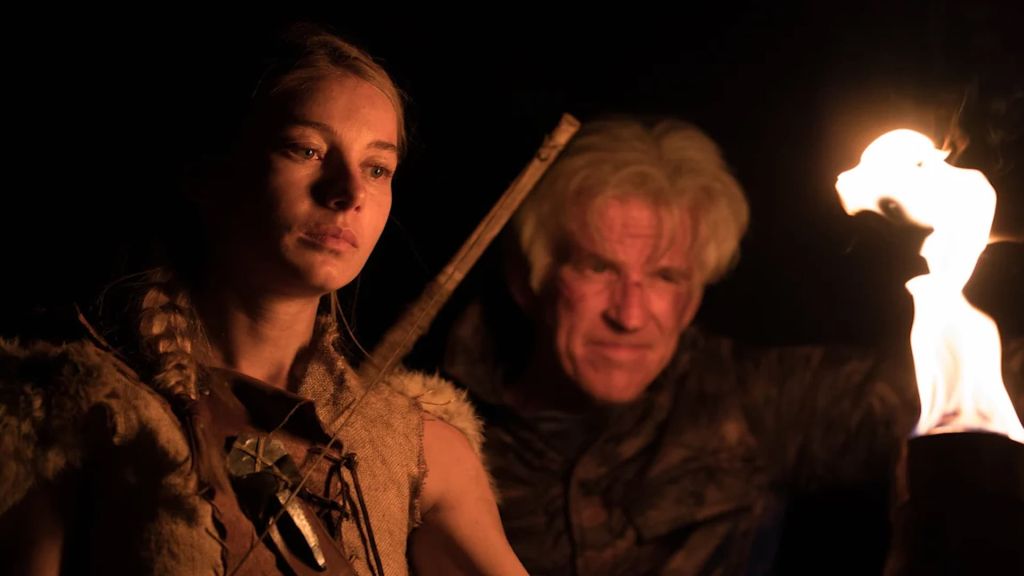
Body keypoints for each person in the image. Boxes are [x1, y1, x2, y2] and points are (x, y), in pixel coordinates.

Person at [0, 24, 526, 576]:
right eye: (307, 150)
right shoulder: (71, 417)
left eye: (377, 169)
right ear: (207, 171)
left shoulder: (416, 452)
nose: (349, 193)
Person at [442, 117, 942, 575]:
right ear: (528, 279)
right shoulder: (429, 421)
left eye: (665, 276)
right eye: (599, 268)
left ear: (693, 297)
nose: (629, 316)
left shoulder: (749, 400)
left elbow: (954, 391)